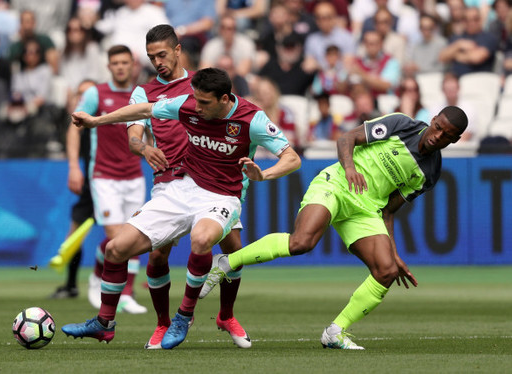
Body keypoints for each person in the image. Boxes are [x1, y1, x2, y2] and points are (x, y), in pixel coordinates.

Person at [62, 67, 301, 350]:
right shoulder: (188, 104)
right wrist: (96, 121)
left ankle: (184, 316)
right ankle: (104, 324)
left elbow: (292, 158)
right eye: (195, 101)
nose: (196, 108)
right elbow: (144, 110)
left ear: (225, 98)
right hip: (180, 188)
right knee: (116, 249)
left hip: (222, 196)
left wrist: (263, 175)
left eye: (204, 103)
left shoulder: (252, 118)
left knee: (203, 240)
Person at [201, 106, 468, 350]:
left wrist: (394, 252)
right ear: (433, 120)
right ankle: (226, 262)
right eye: (438, 127)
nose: (438, 135)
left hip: (366, 209)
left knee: (386, 271)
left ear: (454, 141)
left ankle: (335, 332)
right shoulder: (402, 124)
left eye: (447, 135)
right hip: (338, 184)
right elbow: (346, 139)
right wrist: (350, 168)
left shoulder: (430, 173)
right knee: (301, 243)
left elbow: (388, 210)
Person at [128, 24, 253, 349]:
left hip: (212, 181)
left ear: (178, 49)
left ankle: (226, 315)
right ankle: (163, 323)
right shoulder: (144, 91)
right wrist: (143, 147)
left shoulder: (203, 84)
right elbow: (133, 135)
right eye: (151, 57)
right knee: (157, 256)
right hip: (170, 183)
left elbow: (237, 115)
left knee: (233, 250)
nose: (157, 62)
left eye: (162, 54)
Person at [75, 45, 147, 314]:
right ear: (109, 66)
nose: (120, 67)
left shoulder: (140, 95)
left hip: (134, 176)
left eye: (124, 62)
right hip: (104, 176)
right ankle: (98, 275)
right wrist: (74, 164)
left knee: (136, 236)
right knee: (117, 236)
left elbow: (148, 130)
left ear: (132, 65)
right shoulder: (96, 93)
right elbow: (77, 123)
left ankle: (127, 293)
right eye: (115, 62)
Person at [50, 79, 96, 299]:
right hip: (90, 186)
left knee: (120, 237)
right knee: (74, 236)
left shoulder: (104, 122)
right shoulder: (78, 127)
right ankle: (71, 285)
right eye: (79, 94)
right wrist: (74, 168)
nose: (82, 99)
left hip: (111, 183)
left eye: (87, 94)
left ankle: (122, 288)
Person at [439, 6, 499, 77]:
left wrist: (455, 55)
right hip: (456, 82)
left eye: (475, 19)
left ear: (481, 19)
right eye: (467, 19)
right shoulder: (457, 37)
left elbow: (476, 58)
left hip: (478, 79)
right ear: (463, 21)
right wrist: (459, 44)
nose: (471, 23)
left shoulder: (489, 37)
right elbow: (442, 57)